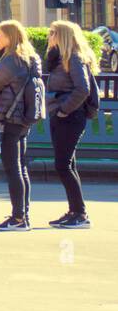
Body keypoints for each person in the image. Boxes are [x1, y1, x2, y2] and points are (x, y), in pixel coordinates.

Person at [44, 20, 97, 230]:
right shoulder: (60, 59)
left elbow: (82, 89)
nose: (49, 36)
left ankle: (80, 213)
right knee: (68, 164)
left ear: (62, 36)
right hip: (61, 115)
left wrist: (64, 109)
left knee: (62, 165)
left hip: (70, 117)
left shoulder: (73, 58)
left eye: (52, 32)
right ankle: (75, 210)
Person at [0, 20, 42, 230]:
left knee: (13, 169)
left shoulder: (10, 61)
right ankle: (23, 214)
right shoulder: (30, 58)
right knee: (21, 168)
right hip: (24, 118)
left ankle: (18, 218)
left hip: (11, 117)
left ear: (9, 37)